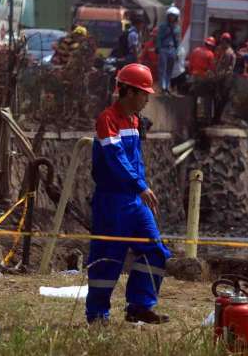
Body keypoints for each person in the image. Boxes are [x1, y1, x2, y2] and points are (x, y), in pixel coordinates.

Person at [86, 63, 171, 324]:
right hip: (113, 201)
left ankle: (140, 306)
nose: (147, 100)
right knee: (108, 258)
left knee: (155, 250)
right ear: (130, 92)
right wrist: (140, 186)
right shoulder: (107, 120)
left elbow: (136, 160)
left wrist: (142, 187)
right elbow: (116, 158)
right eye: (145, 94)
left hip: (135, 199)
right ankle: (98, 314)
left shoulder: (134, 121)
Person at [156, 6, 181, 94]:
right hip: (164, 49)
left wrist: (177, 52)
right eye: (171, 15)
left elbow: (177, 42)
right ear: (168, 16)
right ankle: (162, 87)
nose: (172, 17)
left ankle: (167, 86)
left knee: (169, 70)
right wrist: (158, 48)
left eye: (174, 16)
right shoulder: (163, 26)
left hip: (172, 50)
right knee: (162, 69)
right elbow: (159, 38)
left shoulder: (177, 28)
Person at [213, 33, 236, 124]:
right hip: (217, 76)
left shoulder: (230, 53)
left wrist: (226, 76)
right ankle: (215, 117)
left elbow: (231, 67)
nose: (223, 43)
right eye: (222, 40)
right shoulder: (218, 49)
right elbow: (215, 61)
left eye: (225, 41)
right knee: (216, 97)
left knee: (222, 98)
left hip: (225, 78)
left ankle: (218, 118)